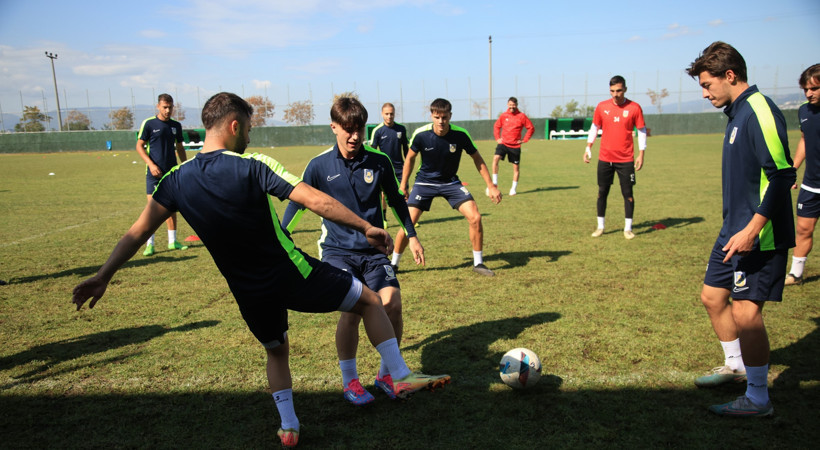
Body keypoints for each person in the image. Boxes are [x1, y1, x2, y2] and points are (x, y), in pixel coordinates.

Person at [72, 92, 450, 448]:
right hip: (292, 273)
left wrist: (103, 275)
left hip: (247, 292)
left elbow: (137, 233)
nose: (250, 137)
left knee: (277, 351)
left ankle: (289, 426)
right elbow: (315, 200)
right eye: (249, 129)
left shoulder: (175, 181)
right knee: (369, 300)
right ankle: (398, 375)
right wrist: (366, 226)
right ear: (234, 126)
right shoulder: (253, 165)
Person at [281, 97, 425, 406]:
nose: (354, 137)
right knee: (352, 309)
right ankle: (350, 381)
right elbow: (298, 201)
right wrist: (282, 235)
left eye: (359, 129)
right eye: (347, 129)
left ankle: (388, 377)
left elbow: (397, 201)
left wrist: (411, 236)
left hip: (373, 253)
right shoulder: (319, 165)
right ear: (333, 127)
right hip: (336, 252)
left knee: (393, 303)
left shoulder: (378, 161)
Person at [686, 42, 795, 417]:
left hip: (758, 234)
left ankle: (759, 398)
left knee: (746, 311)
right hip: (732, 230)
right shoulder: (737, 112)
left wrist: (753, 228)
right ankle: (735, 365)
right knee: (713, 298)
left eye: (707, 84)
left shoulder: (760, 111)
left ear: (729, 75)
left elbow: (783, 176)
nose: (704, 93)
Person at [391, 98, 501, 276]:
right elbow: (410, 158)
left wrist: (491, 186)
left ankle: (478, 263)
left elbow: (477, 159)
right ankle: (393, 264)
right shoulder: (421, 134)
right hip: (424, 183)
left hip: (450, 182)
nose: (441, 121)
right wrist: (403, 185)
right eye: (437, 117)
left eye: (444, 117)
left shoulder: (461, 134)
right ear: (431, 116)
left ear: (450, 115)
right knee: (408, 222)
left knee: (475, 217)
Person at [583, 76, 647, 240]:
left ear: (625, 89)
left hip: (626, 160)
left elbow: (641, 130)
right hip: (605, 158)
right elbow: (594, 127)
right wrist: (588, 147)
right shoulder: (602, 107)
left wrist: (641, 153)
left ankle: (628, 228)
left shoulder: (634, 108)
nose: (615, 94)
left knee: (628, 194)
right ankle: (600, 227)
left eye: (618, 90)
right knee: (602, 192)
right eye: (612, 91)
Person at [136, 93, 189, 256]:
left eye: (170, 107)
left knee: (171, 207)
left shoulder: (176, 126)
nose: (168, 110)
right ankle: (149, 244)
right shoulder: (149, 124)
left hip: (171, 172)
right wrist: (151, 165)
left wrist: (185, 165)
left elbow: (179, 148)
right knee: (151, 209)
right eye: (165, 107)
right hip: (153, 173)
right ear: (158, 106)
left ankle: (172, 241)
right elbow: (139, 146)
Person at [785, 64, 820, 286]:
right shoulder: (804, 111)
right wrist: (793, 170)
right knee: (803, 229)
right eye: (806, 89)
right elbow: (805, 140)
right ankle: (796, 274)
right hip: (811, 185)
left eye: (815, 89)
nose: (809, 94)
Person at [369, 103, 410, 224]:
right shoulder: (378, 131)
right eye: (387, 114)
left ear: (394, 114)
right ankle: (384, 218)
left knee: (405, 193)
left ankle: (408, 219)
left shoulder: (401, 129)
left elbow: (406, 150)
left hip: (400, 168)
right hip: (384, 168)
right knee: (383, 195)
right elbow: (373, 151)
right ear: (382, 114)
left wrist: (407, 165)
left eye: (391, 113)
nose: (389, 116)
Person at [490, 97, 534, 196]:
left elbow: (531, 128)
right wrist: (497, 138)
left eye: (513, 105)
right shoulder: (503, 115)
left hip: (515, 146)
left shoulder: (522, 116)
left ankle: (513, 189)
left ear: (516, 105)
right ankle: (495, 183)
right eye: (510, 105)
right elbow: (497, 126)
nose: (512, 107)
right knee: (495, 159)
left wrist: (524, 139)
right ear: (507, 105)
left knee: (516, 168)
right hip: (503, 144)